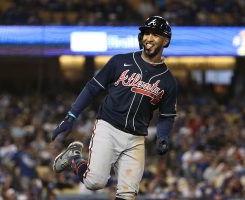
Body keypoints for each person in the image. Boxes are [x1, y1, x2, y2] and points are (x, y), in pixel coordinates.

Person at [51, 16, 178, 200]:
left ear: (165, 40)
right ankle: (74, 158)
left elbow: (167, 115)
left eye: (155, 34)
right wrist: (71, 116)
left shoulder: (168, 80)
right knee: (94, 182)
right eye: (146, 33)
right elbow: (92, 87)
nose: (149, 38)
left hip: (136, 137)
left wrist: (164, 135)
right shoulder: (120, 61)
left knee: (127, 195)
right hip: (108, 128)